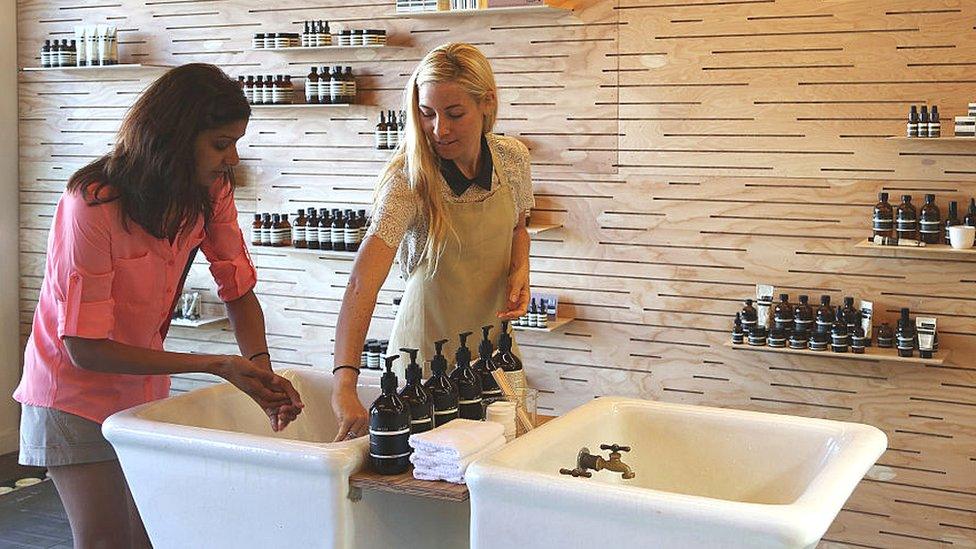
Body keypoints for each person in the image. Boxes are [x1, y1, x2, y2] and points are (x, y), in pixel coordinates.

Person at [13, 63, 303, 549]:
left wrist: (261, 374)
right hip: (71, 393)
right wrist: (218, 365)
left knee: (153, 535)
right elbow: (86, 348)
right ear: (174, 135)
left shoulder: (211, 193)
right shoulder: (92, 203)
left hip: (142, 389)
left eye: (236, 142)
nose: (232, 157)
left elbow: (237, 287)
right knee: (105, 542)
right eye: (220, 143)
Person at [329, 43, 534, 441]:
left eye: (455, 114)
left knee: (503, 465)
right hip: (426, 362)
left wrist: (520, 268)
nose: (440, 129)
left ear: (487, 104)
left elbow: (517, 227)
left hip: (495, 350)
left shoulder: (513, 159)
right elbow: (361, 284)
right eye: (427, 114)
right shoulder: (409, 180)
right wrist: (344, 385)